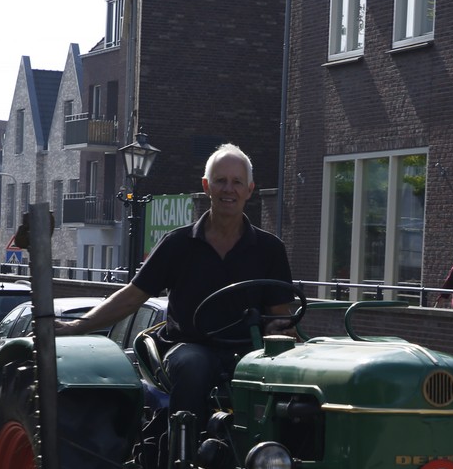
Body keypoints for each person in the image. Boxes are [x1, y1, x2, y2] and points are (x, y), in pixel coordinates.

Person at [56, 143, 293, 424]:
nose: (228, 189)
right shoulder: (177, 244)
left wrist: (280, 330)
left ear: (249, 190)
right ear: (206, 186)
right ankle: (184, 445)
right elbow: (133, 296)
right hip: (189, 346)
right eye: (220, 180)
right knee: (194, 365)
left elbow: (281, 317)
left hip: (248, 351)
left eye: (237, 182)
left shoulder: (270, 249)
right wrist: (77, 326)